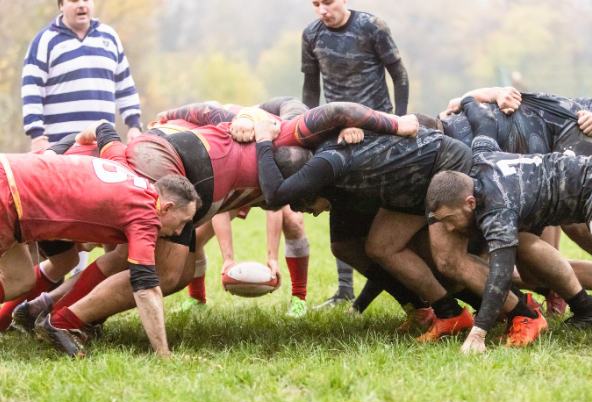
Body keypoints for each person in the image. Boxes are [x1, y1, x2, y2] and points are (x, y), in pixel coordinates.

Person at [16, 101, 419, 350]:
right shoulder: (278, 135)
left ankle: (45, 308)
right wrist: (396, 122)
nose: (309, 210)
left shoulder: (271, 171)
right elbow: (330, 111)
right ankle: (63, 320)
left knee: (149, 261)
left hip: (179, 172)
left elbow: (268, 212)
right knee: (161, 270)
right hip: (167, 168)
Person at [254, 116, 536, 343]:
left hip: (440, 165)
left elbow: (277, 194)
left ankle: (524, 315)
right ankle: (450, 313)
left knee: (447, 259)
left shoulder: (329, 164)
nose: (311, 213)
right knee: (382, 246)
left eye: (305, 206)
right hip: (410, 184)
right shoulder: (336, 175)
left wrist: (263, 141)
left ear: (312, 189)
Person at [427, 96, 592, 353]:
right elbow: (483, 120)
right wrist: (469, 100)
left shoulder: (497, 208)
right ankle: (587, 310)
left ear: (470, 202)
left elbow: (500, 275)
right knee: (536, 264)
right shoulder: (482, 155)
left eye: (449, 220)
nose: (449, 229)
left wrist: (479, 332)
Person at [4, 121, 198, 358]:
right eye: (181, 222)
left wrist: (82, 135)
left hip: (11, 174)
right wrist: (164, 353)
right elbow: (146, 289)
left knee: (19, 279)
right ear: (166, 208)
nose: (179, 232)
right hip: (10, 200)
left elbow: (104, 128)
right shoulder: (146, 216)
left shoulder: (124, 168)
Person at [21, 0, 143, 276]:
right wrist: (37, 136)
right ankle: (53, 296)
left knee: (110, 218)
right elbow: (31, 90)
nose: (82, 4)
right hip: (62, 151)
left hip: (99, 150)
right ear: (61, 5)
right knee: (66, 226)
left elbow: (124, 84)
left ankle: (95, 294)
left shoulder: (109, 37)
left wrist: (134, 124)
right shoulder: (45, 41)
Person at [302, 0, 410, 307]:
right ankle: (344, 291)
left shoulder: (371, 26)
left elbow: (399, 76)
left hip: (379, 129)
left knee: (378, 221)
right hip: (337, 133)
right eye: (316, 4)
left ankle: (379, 296)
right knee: (342, 207)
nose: (323, 9)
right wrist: (311, 132)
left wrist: (397, 123)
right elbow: (311, 89)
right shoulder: (311, 34)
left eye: (329, 2)